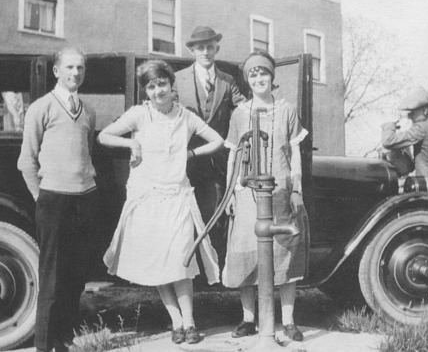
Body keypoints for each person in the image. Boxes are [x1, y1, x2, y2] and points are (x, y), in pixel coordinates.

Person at [100, 60, 222, 345]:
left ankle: (190, 322)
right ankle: (176, 321)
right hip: (146, 198)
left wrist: (191, 155)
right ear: (146, 90)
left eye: (162, 84)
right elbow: (105, 136)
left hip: (178, 196)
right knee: (158, 263)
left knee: (181, 259)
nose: (157, 91)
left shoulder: (186, 117)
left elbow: (216, 139)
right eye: (151, 87)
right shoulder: (139, 115)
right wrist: (132, 143)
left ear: (171, 84)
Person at [17, 46, 100, 352]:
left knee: (77, 275)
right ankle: (44, 345)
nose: (75, 73)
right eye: (69, 67)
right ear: (56, 71)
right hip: (54, 201)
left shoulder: (88, 111)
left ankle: (64, 340)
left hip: (85, 199)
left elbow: (86, 152)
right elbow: (26, 161)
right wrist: (43, 198)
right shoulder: (41, 108)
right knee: (52, 277)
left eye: (80, 68)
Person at [223, 51, 308, 341]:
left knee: (284, 254)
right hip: (247, 194)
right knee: (246, 254)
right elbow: (233, 156)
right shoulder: (239, 113)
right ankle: (249, 319)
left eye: (264, 73)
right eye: (253, 75)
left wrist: (297, 189)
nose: (259, 79)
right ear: (248, 81)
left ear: (272, 77)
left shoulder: (286, 110)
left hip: (281, 191)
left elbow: (294, 152)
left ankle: (288, 321)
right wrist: (231, 192)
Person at [173, 25, 245, 263]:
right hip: (184, 161)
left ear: (217, 48)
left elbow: (243, 108)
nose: (205, 52)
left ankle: (210, 271)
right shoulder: (177, 79)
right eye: (200, 47)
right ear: (192, 50)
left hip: (216, 162)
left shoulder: (227, 80)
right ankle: (186, 268)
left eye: (210, 47)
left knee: (213, 213)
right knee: (182, 216)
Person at [381, 87, 428, 201]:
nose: (409, 117)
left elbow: (388, 141)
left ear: (425, 111)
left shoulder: (421, 128)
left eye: (413, 113)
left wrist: (390, 123)